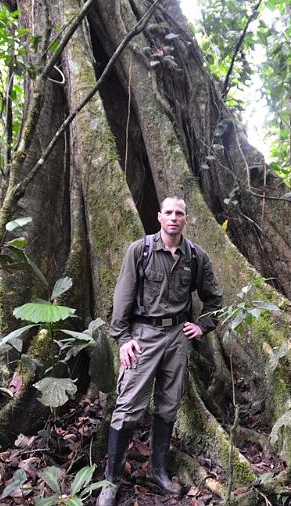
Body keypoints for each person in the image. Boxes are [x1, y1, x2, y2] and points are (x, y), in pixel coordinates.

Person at [96, 196, 223, 506]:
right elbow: (123, 296)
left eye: (180, 213)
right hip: (143, 335)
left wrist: (203, 326)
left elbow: (214, 300)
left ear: (186, 219)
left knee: (168, 405)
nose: (174, 218)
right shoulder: (140, 251)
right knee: (127, 406)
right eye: (169, 212)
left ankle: (159, 470)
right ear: (159, 216)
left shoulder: (196, 255)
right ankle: (111, 482)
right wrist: (123, 337)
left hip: (178, 336)